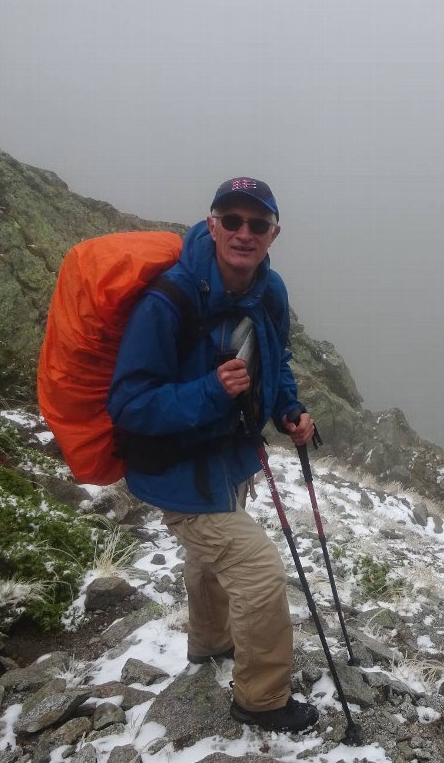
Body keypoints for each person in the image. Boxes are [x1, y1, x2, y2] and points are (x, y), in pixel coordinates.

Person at [107, 177, 319, 733]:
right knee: (257, 573)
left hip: (229, 461)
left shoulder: (269, 292)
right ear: (211, 224)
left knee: (209, 558)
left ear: (274, 233)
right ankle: (262, 699)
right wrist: (209, 390)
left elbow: (277, 358)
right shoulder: (168, 301)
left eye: (257, 223)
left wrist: (289, 410)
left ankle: (208, 644)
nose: (243, 232)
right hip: (177, 472)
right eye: (232, 220)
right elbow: (128, 404)